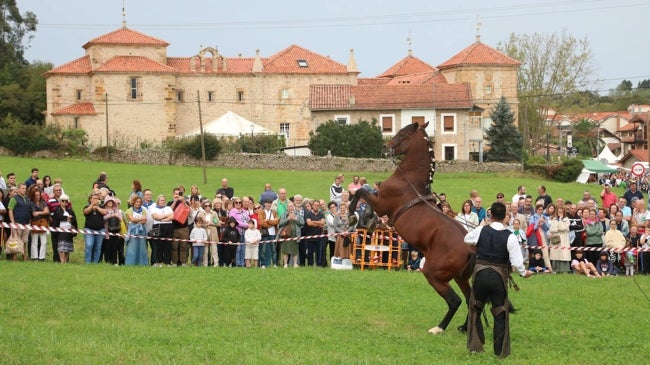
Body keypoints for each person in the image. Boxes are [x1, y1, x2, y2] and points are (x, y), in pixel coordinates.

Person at [464, 202, 532, 358]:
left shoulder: (481, 230)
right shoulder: (510, 236)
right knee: (500, 313)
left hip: (480, 275)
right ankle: (500, 352)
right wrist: (524, 273)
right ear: (505, 217)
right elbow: (516, 263)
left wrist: (482, 231)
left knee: (475, 309)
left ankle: (475, 347)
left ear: (491, 215)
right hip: (497, 278)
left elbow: (467, 239)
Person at [52, 194, 77, 264]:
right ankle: (62, 261)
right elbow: (58, 217)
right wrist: (66, 218)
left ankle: (65, 261)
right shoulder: (57, 209)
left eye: (66, 201)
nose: (64, 202)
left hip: (69, 231)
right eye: (63, 201)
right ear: (60, 201)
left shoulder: (70, 210)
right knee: (62, 247)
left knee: (67, 247)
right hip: (60, 231)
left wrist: (71, 219)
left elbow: (74, 220)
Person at [149, 195, 174, 267]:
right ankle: (159, 261)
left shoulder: (168, 208)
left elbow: (172, 217)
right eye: (161, 200)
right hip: (158, 227)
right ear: (158, 201)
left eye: (163, 200)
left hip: (168, 227)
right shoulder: (154, 209)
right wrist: (166, 215)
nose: (162, 201)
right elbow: (155, 217)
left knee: (168, 245)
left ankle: (167, 262)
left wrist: (162, 219)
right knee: (158, 245)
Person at [279, 201, 304, 268]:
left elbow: (302, 223)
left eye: (292, 206)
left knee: (295, 250)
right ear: (287, 207)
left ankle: (295, 264)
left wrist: (295, 219)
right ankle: (285, 264)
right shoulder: (284, 214)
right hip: (286, 235)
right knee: (285, 250)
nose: (291, 208)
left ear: (294, 207)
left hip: (295, 235)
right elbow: (280, 224)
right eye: (289, 206)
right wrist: (288, 219)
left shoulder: (298, 214)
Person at [82, 192, 106, 263]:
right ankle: (88, 262)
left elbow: (104, 212)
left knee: (98, 247)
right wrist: (92, 205)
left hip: (100, 230)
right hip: (89, 230)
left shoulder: (101, 206)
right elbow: (86, 212)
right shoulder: (86, 207)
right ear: (90, 199)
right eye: (94, 198)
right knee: (89, 245)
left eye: (97, 198)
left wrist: (97, 207)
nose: (96, 200)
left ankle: (95, 262)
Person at [124, 196, 149, 266]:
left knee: (142, 247)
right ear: (133, 202)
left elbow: (145, 220)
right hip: (132, 230)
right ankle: (130, 263)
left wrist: (137, 220)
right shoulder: (129, 210)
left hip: (141, 230)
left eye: (139, 202)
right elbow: (132, 219)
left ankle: (142, 263)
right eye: (137, 202)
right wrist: (141, 219)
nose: (138, 203)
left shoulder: (143, 210)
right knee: (132, 247)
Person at [28, 186, 50, 261]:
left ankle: (42, 257)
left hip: (43, 223)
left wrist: (39, 212)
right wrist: (42, 212)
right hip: (34, 223)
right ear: (33, 195)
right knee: (34, 241)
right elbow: (34, 214)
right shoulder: (31, 203)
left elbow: (47, 211)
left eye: (38, 195)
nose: (37, 196)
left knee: (44, 241)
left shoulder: (43, 202)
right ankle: (34, 257)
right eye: (36, 195)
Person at [548, 206, 571, 273]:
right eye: (559, 212)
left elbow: (563, 228)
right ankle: (555, 270)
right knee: (555, 254)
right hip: (555, 238)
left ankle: (564, 270)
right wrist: (558, 228)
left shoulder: (566, 220)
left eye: (561, 212)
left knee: (563, 254)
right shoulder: (554, 219)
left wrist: (560, 220)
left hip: (564, 239)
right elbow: (552, 229)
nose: (560, 213)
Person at [103, 196, 124, 265]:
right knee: (108, 246)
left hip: (116, 230)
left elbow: (120, 218)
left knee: (115, 246)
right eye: (108, 201)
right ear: (106, 202)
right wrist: (111, 215)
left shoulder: (116, 210)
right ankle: (108, 261)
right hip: (107, 231)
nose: (110, 203)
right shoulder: (104, 209)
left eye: (111, 201)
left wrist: (116, 215)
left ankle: (114, 261)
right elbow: (103, 218)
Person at [304, 199, 326, 266]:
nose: (316, 206)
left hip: (319, 236)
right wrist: (318, 223)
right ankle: (310, 264)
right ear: (312, 206)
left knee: (319, 252)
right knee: (310, 251)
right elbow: (309, 223)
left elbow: (323, 222)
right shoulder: (308, 214)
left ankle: (318, 264)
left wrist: (314, 221)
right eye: (315, 205)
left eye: (318, 205)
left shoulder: (321, 214)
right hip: (310, 235)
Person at [258, 199, 279, 268]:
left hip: (273, 233)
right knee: (263, 249)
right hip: (265, 233)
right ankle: (263, 264)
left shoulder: (274, 212)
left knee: (273, 249)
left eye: (270, 203)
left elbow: (277, 221)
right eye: (267, 203)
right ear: (264, 204)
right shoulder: (261, 212)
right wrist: (271, 223)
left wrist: (268, 221)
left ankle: (274, 263)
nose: (269, 204)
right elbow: (261, 223)